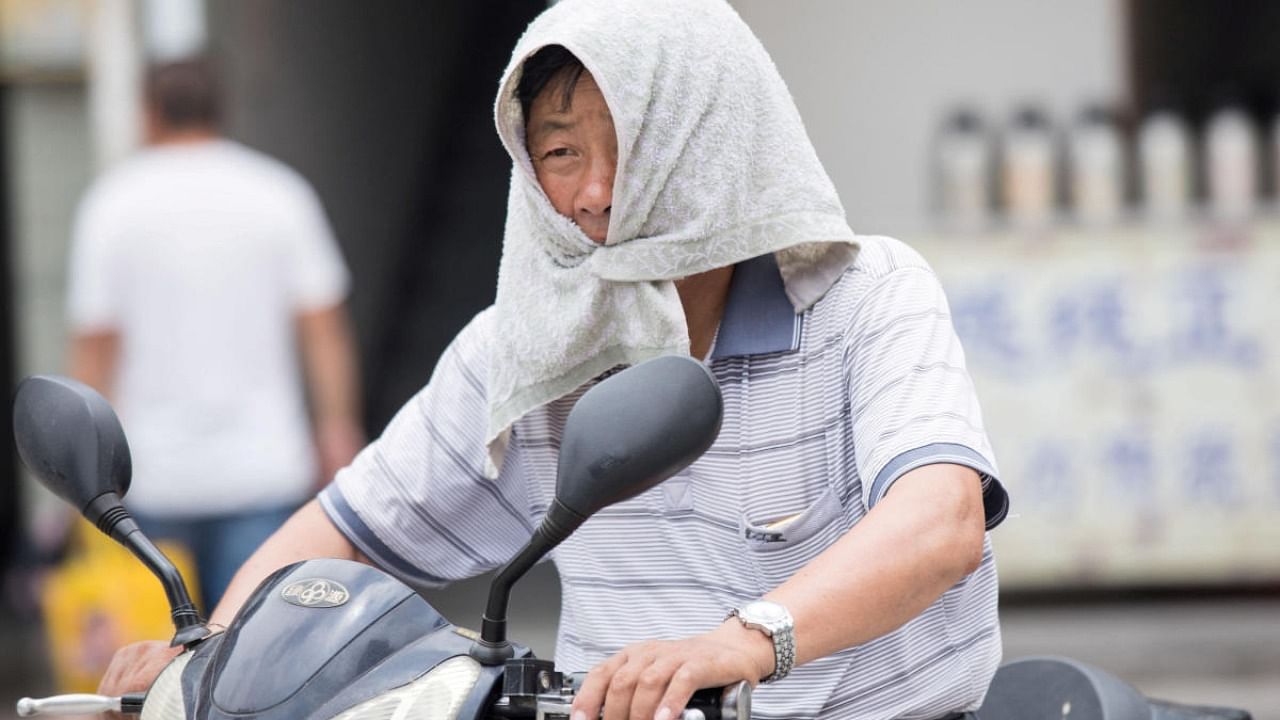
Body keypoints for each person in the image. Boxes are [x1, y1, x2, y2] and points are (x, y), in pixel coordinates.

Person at [98, 3, 1009, 719]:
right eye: (561, 153)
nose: (595, 193)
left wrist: (743, 641)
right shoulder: (526, 351)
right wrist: (207, 660)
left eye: (632, 144)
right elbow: (347, 528)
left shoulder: (866, 296)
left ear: (717, 136)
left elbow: (941, 524)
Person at [66, 59, 364, 614]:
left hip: (147, 476)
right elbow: (324, 328)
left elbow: (94, 348)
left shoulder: (113, 204)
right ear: (219, 111)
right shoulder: (278, 193)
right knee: (255, 659)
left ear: (147, 114)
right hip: (264, 467)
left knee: (157, 671)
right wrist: (337, 430)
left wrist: (77, 476)